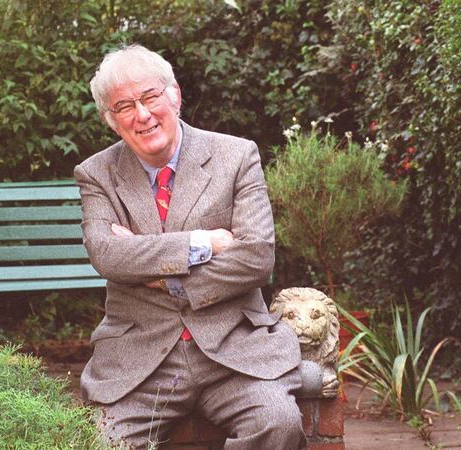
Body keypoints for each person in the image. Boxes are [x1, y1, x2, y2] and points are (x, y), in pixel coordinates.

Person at [74, 44, 305, 450]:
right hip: (139, 361)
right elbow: (107, 255)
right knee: (98, 442)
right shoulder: (96, 174)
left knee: (279, 424)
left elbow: (256, 257)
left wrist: (161, 278)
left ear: (174, 95)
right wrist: (203, 242)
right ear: (110, 120)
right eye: (124, 106)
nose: (142, 115)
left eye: (150, 97)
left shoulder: (236, 155)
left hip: (234, 350)